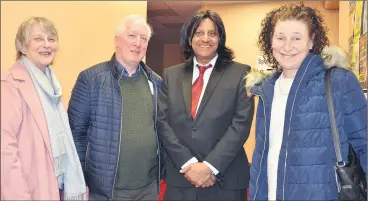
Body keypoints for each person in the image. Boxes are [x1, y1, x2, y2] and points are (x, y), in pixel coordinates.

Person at [246, 3, 367, 201]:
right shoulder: (266, 89)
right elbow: (262, 156)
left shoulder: (338, 81)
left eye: (296, 38)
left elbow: (364, 143)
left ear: (312, 41)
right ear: (271, 42)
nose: (287, 46)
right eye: (280, 37)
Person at [157, 9, 254, 201]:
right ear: (189, 37)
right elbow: (162, 122)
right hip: (181, 178)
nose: (205, 39)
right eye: (199, 33)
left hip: (225, 180)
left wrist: (209, 166)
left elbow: (240, 125)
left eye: (212, 33)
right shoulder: (171, 75)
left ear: (220, 38)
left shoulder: (241, 73)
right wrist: (189, 164)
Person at [68, 14, 163, 201]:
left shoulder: (157, 82)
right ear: (117, 41)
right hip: (107, 191)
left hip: (149, 188)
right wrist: (79, 181)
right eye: (132, 36)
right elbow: (76, 135)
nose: (138, 43)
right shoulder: (91, 79)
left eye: (144, 39)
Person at [1, 17, 87, 200]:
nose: (46, 44)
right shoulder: (10, 85)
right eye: (38, 39)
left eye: (51, 39)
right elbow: (5, 151)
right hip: (29, 190)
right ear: (22, 46)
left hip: (56, 185)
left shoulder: (52, 86)